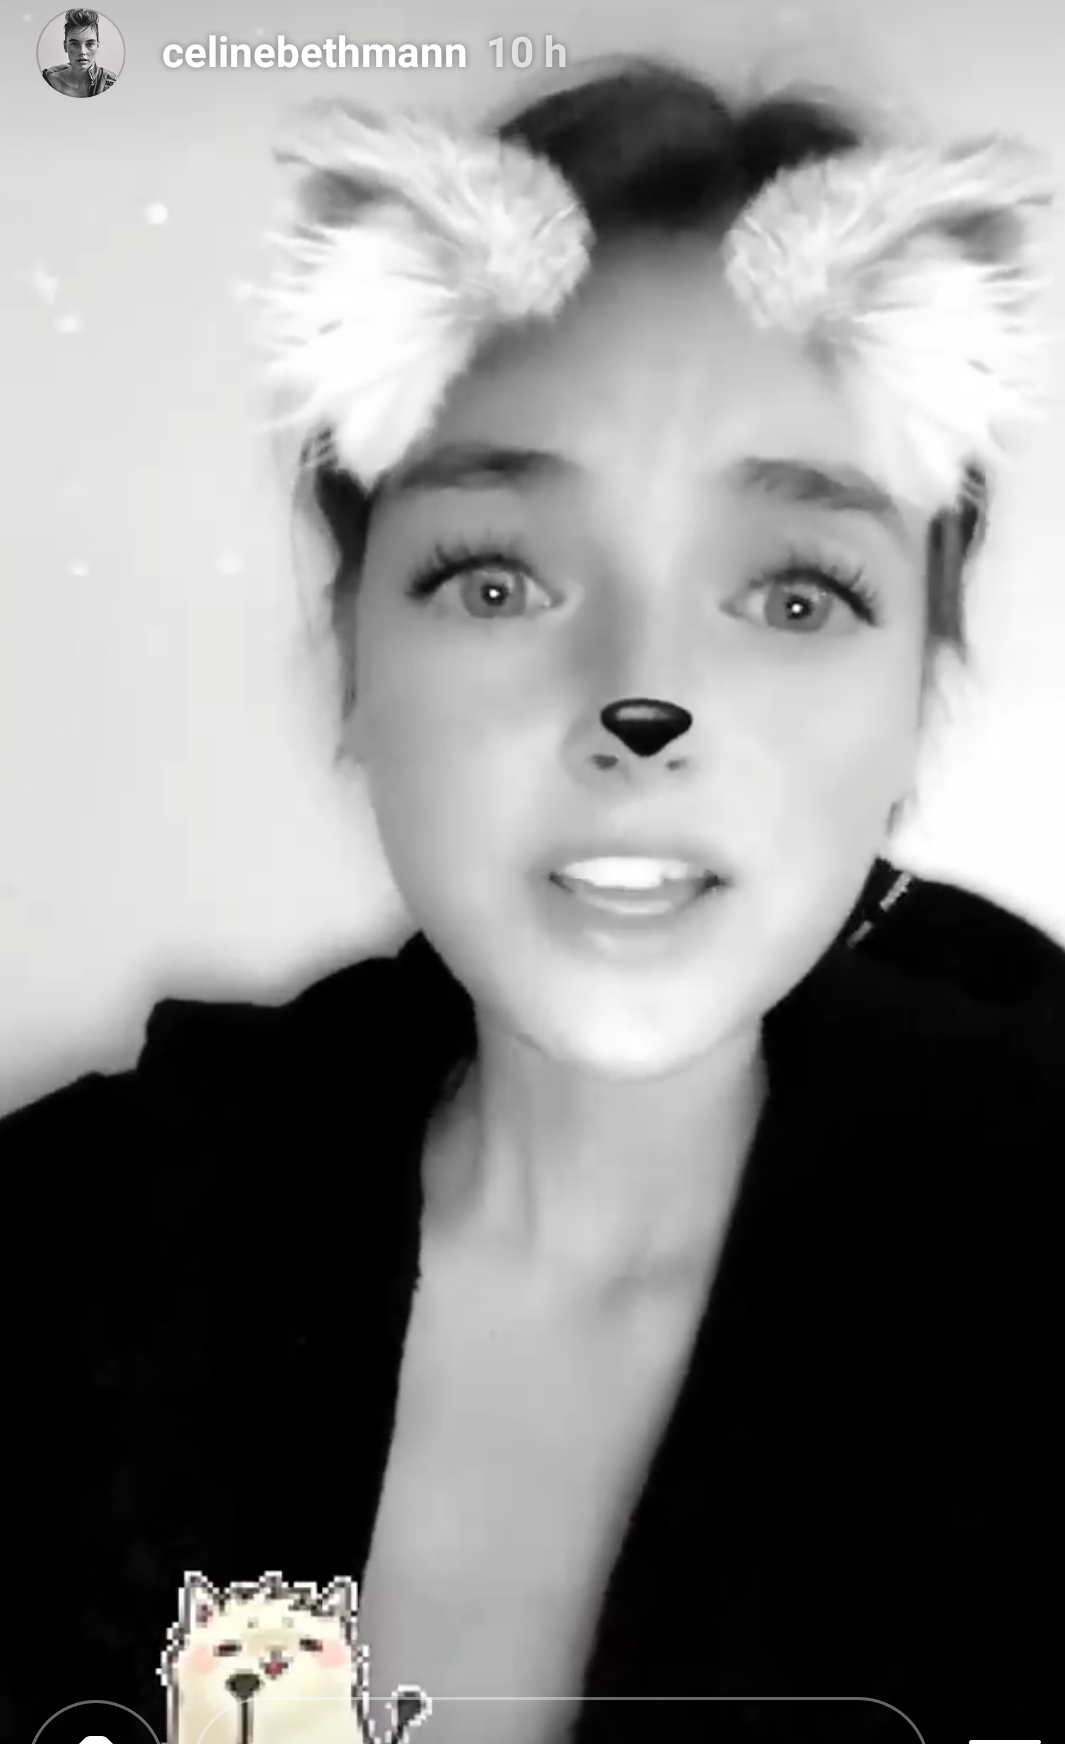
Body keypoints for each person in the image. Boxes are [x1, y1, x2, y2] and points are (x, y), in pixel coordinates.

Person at [3, 53, 1062, 1744]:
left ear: (919, 694)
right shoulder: (55, 1260)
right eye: (496, 579)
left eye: (794, 594)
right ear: (356, 652)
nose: (643, 703)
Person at [41, 7, 118, 98]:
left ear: (97, 46)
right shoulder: (48, 81)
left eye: (89, 44)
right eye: (74, 44)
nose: (82, 52)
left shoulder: (110, 84)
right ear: (65, 46)